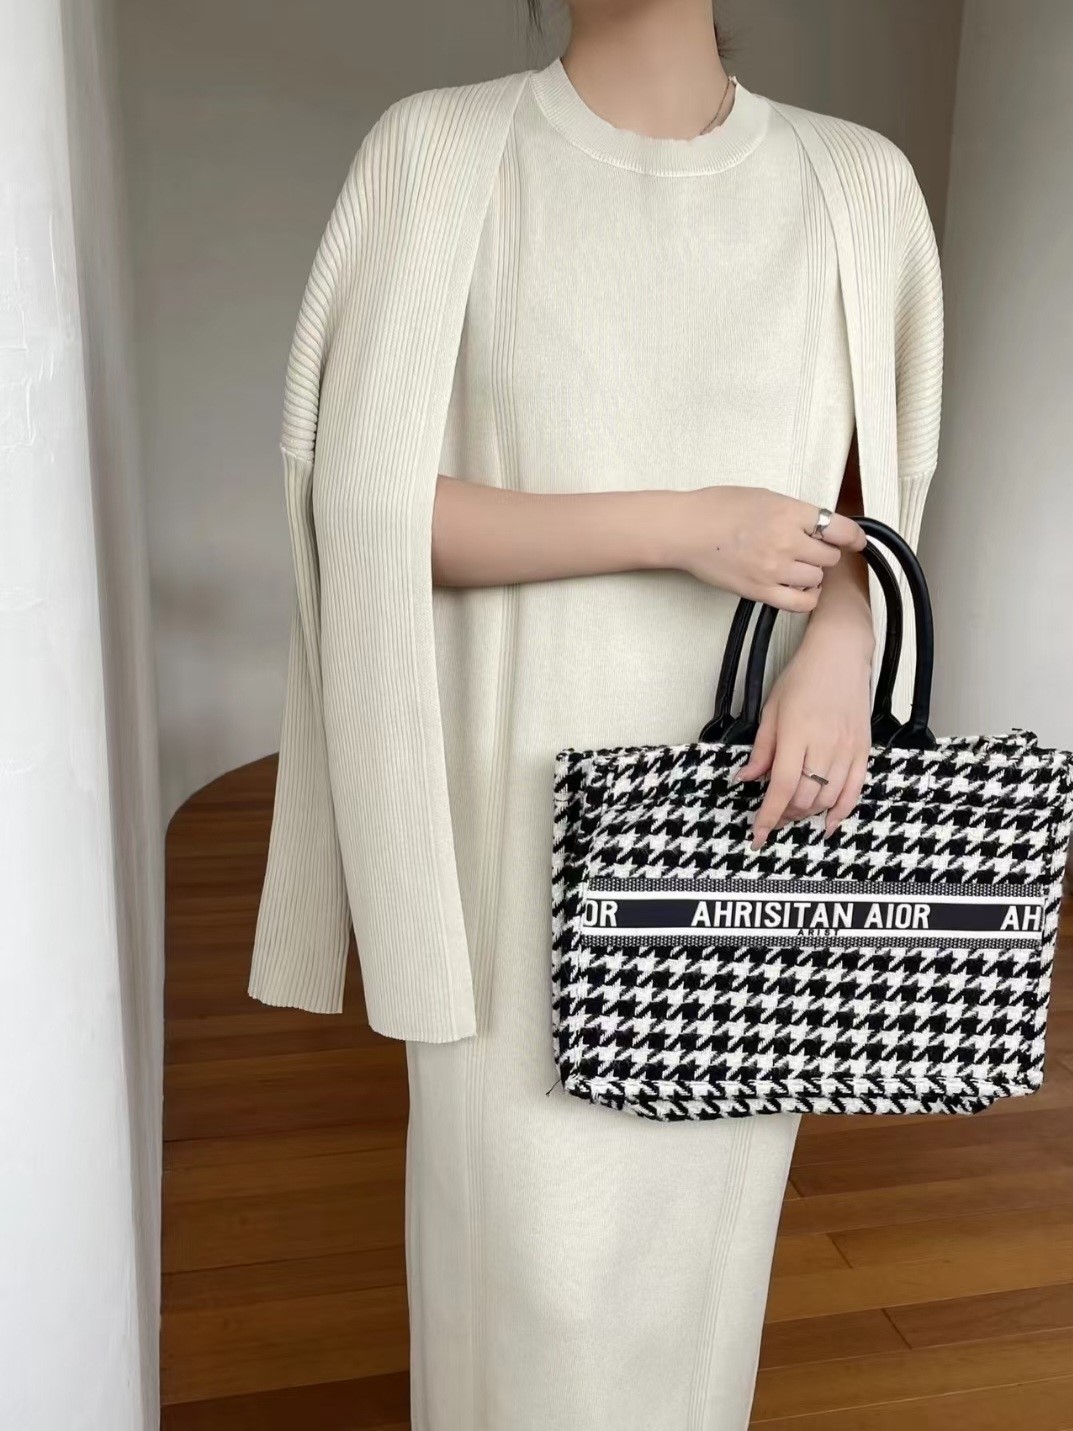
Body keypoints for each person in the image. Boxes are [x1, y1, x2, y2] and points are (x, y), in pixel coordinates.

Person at [247, 2, 943, 1427]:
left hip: (746, 800)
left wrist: (840, 649)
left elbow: (874, 496)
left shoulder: (856, 181)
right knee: (524, 1259)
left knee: (700, 1246)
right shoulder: (440, 151)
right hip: (505, 802)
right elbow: (366, 509)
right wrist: (683, 524)